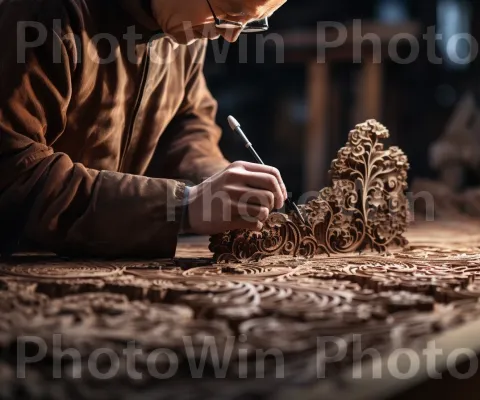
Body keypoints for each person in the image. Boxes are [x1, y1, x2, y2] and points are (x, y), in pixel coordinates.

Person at [0, 0, 288, 258]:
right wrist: (181, 207)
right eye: (228, 13)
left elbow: (187, 126)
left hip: (101, 252)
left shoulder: (184, 27)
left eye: (249, 23)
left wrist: (222, 189)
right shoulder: (48, 13)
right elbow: (14, 173)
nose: (230, 35)